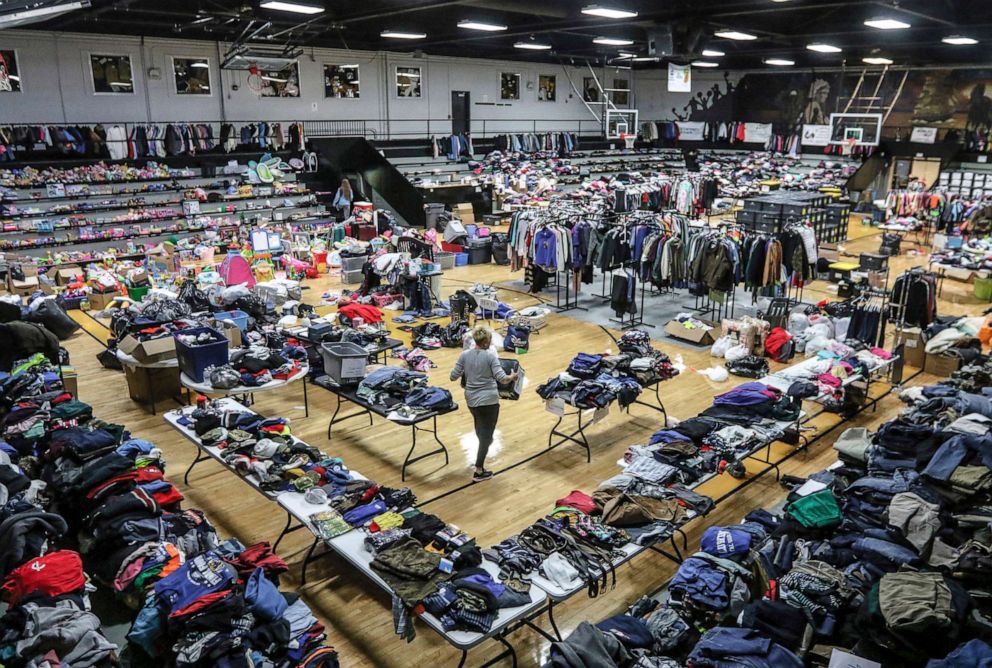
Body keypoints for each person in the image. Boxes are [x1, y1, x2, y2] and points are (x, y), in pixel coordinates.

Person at [450, 325, 517, 482]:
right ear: (486, 341)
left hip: (471, 401)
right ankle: (479, 470)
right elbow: (502, 379)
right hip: (489, 401)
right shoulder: (490, 357)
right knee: (487, 436)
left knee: (481, 428)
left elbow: (453, 376)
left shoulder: (464, 355)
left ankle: (482, 448)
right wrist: (512, 377)